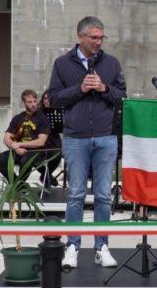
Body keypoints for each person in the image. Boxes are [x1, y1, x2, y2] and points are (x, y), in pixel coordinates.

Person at [46, 16, 126, 269]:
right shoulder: (62, 64)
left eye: (101, 38)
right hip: (75, 138)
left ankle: (102, 246)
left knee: (103, 195)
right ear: (80, 37)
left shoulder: (111, 63)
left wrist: (104, 88)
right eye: (94, 38)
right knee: (76, 194)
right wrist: (80, 88)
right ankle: (73, 246)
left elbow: (123, 97)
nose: (98, 42)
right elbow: (53, 99)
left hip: (106, 136)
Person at [0, 89, 57, 185]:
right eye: (30, 102)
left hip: (36, 152)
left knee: (25, 160)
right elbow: (6, 139)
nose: (33, 104)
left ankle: (18, 185)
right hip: (19, 150)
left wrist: (19, 144)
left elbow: (41, 142)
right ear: (24, 102)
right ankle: (18, 185)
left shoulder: (42, 119)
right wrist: (16, 148)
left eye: (35, 101)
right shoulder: (18, 118)